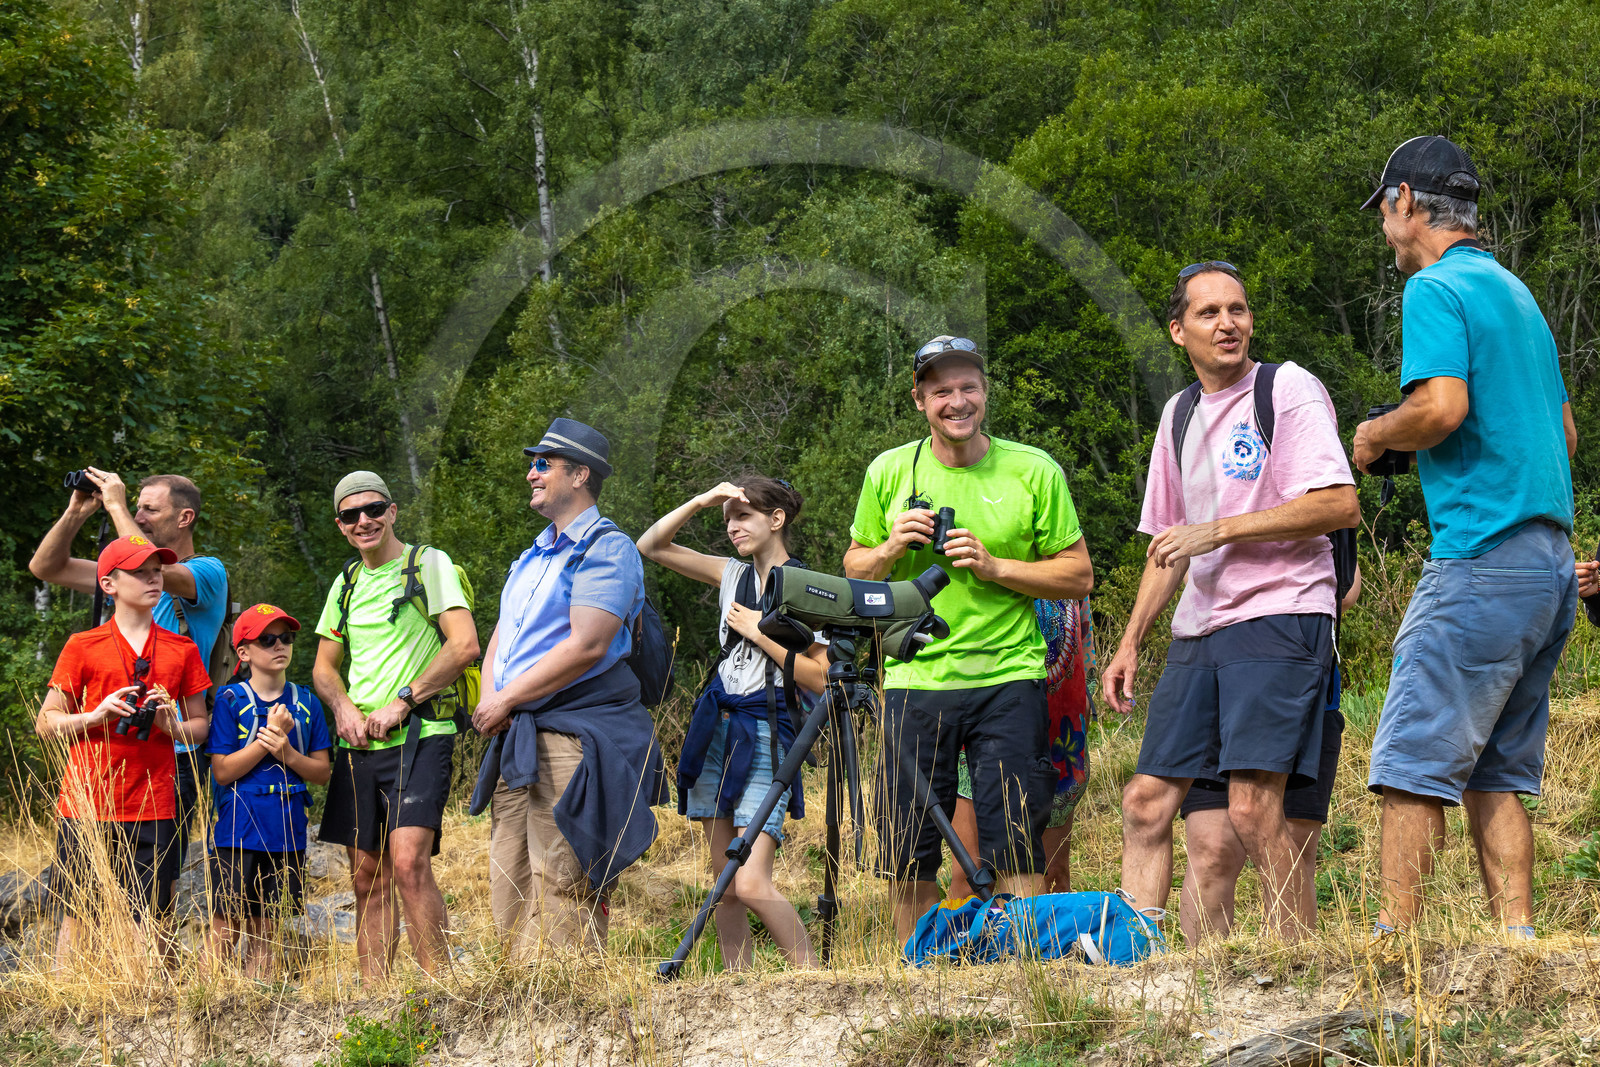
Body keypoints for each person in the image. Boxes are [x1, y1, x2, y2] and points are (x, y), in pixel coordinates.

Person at [1353, 136, 1577, 939]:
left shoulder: (1436, 288)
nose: (1385, 227)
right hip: (1549, 565)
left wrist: (1378, 435)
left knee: (1411, 757)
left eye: (1383, 209)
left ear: (1404, 201)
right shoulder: (1519, 296)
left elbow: (1441, 408)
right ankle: (1516, 938)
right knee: (1497, 773)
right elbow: (1567, 436)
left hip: (1481, 557)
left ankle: (1394, 943)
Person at [1102, 261, 1359, 943]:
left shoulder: (1286, 388)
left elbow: (1339, 504)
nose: (1229, 323)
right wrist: (1129, 641)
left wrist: (1220, 529)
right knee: (1147, 802)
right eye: (1210, 312)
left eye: (1238, 309)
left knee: (1252, 807)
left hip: (1280, 615)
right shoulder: (1179, 412)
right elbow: (1167, 542)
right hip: (1199, 633)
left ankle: (1296, 965)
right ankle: (1148, 975)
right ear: (1177, 329)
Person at [844, 336, 1094, 942]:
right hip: (914, 675)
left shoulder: (1033, 469)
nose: (957, 401)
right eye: (941, 391)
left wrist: (994, 566)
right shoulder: (887, 470)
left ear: (985, 392)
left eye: (968, 388)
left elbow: (1079, 574)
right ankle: (916, 971)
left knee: (1016, 839)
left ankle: (1025, 972)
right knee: (907, 849)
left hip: (1009, 676)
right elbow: (854, 571)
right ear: (919, 400)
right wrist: (889, 547)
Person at [468, 419, 668, 958]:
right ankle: (518, 1014)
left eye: (543, 464)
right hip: (519, 737)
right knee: (508, 886)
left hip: (572, 737)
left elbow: (588, 644)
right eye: (532, 463)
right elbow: (500, 644)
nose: (530, 473)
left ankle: (569, 1015)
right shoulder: (530, 557)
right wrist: (494, 700)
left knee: (562, 887)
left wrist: (507, 699)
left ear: (580, 475)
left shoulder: (608, 548)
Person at [638, 475, 827, 970]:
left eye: (743, 516)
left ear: (776, 520)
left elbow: (822, 678)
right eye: (728, 520)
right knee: (724, 882)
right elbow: (651, 545)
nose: (733, 527)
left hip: (767, 729)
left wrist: (760, 634)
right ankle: (737, 987)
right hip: (718, 725)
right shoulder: (731, 575)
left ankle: (813, 978)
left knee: (750, 879)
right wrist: (704, 499)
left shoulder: (811, 588)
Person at [311, 471, 480, 978]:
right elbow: (323, 667)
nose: (364, 521)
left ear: (392, 511)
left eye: (373, 509)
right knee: (366, 876)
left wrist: (403, 700)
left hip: (423, 732)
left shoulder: (428, 564)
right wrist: (343, 709)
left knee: (408, 863)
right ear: (340, 525)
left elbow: (464, 645)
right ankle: (376, 1006)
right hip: (362, 746)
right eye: (350, 515)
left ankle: (440, 994)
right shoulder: (346, 582)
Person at [29, 471, 230, 878]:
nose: (138, 516)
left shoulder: (208, 573)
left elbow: (147, 565)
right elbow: (46, 568)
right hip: (107, 751)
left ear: (185, 517)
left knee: (153, 892)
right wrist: (77, 511)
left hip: (171, 759)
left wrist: (117, 505)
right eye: (135, 506)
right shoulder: (121, 580)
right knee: (84, 895)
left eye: (149, 509)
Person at [33, 536, 212, 971]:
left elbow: (200, 727)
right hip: (87, 803)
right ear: (108, 584)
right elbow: (46, 722)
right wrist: (95, 716)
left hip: (155, 803)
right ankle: (66, 1006)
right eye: (140, 572)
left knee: (153, 916)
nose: (153, 578)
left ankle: (153, 1013)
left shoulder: (181, 648)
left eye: (157, 570)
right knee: (78, 915)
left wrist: (170, 725)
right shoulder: (83, 644)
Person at [1177, 568, 1361, 941]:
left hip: (1303, 691)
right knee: (1211, 851)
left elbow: (1346, 588)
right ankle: (1202, 988)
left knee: (1293, 845)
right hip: (1216, 686)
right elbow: (1190, 573)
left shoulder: (1323, 508)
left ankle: (1291, 982)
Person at [207, 605, 332, 978]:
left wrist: (287, 752)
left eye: (286, 638)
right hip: (238, 830)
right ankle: (204, 1004)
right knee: (225, 925)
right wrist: (267, 741)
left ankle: (259, 1007)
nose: (280, 646)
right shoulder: (231, 699)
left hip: (286, 831)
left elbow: (322, 772)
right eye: (267, 639)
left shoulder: (307, 702)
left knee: (267, 928)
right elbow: (223, 770)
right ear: (243, 652)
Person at [949, 597, 1094, 897]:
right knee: (970, 874)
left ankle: (1037, 943)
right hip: (985, 717)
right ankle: (970, 944)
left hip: (1061, 730)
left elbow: (1082, 627)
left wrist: (1088, 691)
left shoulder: (1065, 553)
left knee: (1053, 874)